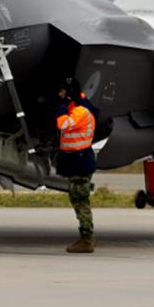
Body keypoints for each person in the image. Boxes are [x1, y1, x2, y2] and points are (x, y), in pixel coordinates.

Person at [54, 79, 99, 253]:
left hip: (80, 161)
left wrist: (62, 107)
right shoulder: (79, 108)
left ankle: (87, 238)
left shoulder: (81, 112)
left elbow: (63, 124)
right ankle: (87, 235)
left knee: (80, 200)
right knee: (78, 199)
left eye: (63, 92)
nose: (60, 95)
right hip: (76, 160)